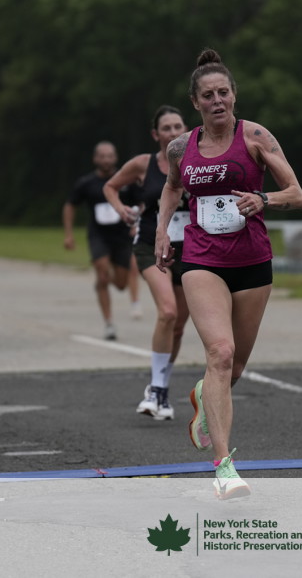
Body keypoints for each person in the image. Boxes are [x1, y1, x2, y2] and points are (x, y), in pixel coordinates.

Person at [155, 49, 302, 499]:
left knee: (234, 367)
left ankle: (204, 396)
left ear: (234, 95)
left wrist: (265, 199)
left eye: (223, 92)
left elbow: (296, 193)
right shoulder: (181, 148)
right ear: (195, 102)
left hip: (252, 261)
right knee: (220, 352)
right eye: (208, 95)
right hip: (202, 259)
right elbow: (171, 187)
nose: (217, 100)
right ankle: (224, 468)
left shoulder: (256, 136)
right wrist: (162, 230)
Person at [103, 105, 193, 421]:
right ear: (156, 134)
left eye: (177, 126)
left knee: (178, 326)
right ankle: (154, 389)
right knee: (167, 311)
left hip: (192, 249)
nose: (173, 132)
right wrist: (121, 210)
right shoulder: (144, 164)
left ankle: (162, 388)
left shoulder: (199, 160)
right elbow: (110, 187)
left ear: (186, 130)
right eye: (166, 128)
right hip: (151, 246)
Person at [63, 141, 137, 341]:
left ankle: (106, 278)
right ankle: (109, 323)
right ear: (95, 158)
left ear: (116, 157)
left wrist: (136, 225)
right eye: (102, 156)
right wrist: (68, 234)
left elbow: (140, 203)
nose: (106, 160)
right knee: (102, 275)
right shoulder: (86, 183)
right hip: (98, 236)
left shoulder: (126, 181)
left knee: (121, 284)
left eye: (109, 156)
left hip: (122, 237)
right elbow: (70, 205)